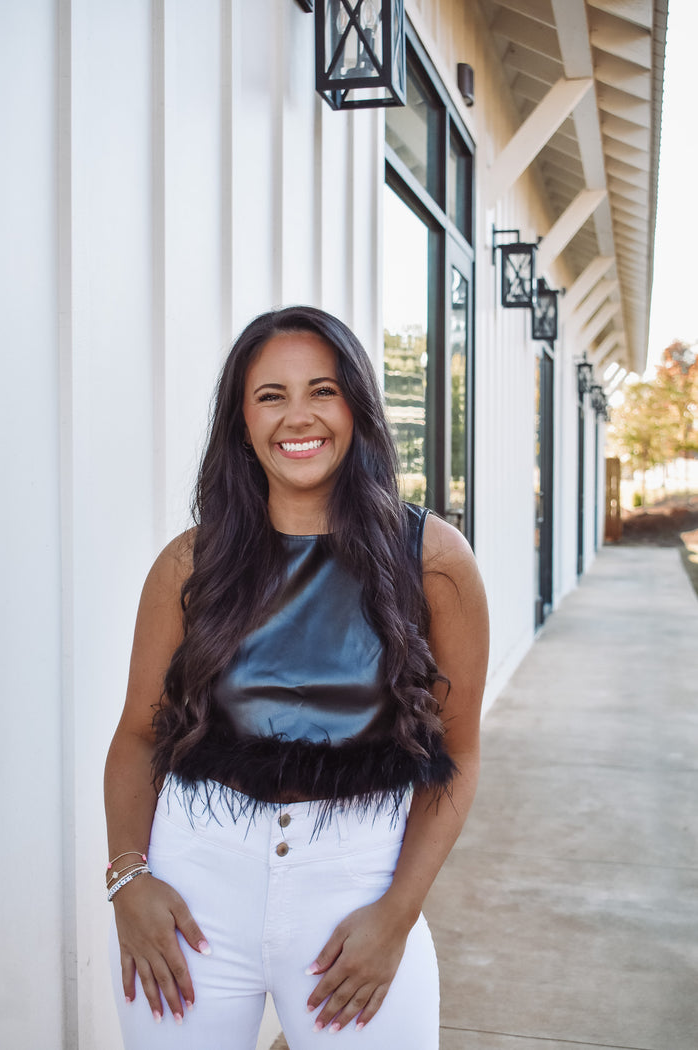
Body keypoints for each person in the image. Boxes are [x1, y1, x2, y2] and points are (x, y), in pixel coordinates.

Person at [105, 305, 489, 1049]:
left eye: (323, 390)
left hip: (358, 887)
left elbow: (462, 754)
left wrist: (399, 912)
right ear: (241, 424)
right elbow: (134, 736)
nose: (298, 417)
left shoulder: (433, 560)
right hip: (195, 887)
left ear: (357, 407)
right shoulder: (191, 563)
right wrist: (128, 880)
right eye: (270, 396)